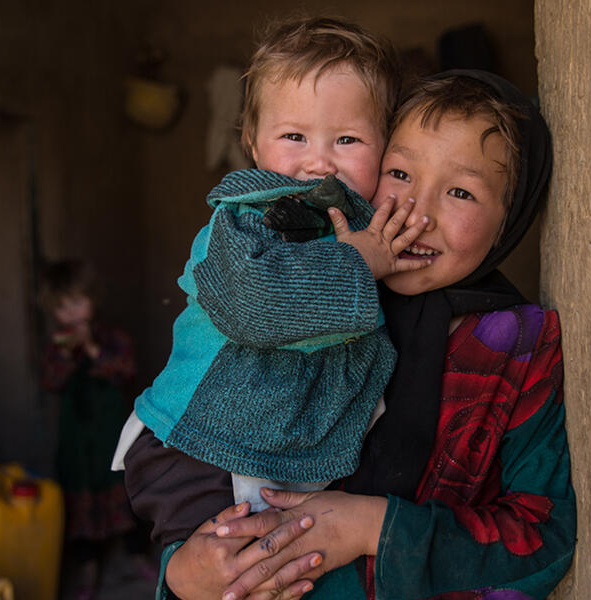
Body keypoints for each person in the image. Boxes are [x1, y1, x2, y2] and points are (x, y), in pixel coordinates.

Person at [155, 71, 577, 600]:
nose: (416, 213)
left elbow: (543, 534)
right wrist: (182, 573)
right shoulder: (305, 297)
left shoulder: (515, 347)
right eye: (399, 173)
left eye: (461, 192)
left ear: (511, 218)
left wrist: (370, 527)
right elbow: (207, 482)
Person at [114, 14, 428, 539]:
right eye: (294, 136)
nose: (320, 162)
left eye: (348, 139)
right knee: (225, 568)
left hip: (276, 462)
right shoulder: (246, 221)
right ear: (253, 143)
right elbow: (257, 303)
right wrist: (357, 263)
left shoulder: (362, 228)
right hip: (200, 450)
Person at [39, 260, 153, 599]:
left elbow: (126, 371)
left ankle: (136, 554)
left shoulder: (114, 339)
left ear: (92, 299)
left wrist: (91, 349)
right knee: (79, 495)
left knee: (124, 488)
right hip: (77, 439)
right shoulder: (57, 346)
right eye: (62, 307)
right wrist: (66, 355)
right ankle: (87, 566)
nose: (71, 313)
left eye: (77, 302)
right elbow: (50, 382)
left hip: (110, 433)